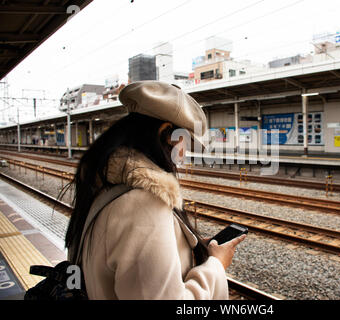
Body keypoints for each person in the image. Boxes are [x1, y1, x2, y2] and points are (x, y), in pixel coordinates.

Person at [64, 81, 246, 299]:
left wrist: (189, 248)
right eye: (185, 143)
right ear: (166, 133)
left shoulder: (105, 188)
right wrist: (216, 265)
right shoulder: (143, 205)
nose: (184, 155)